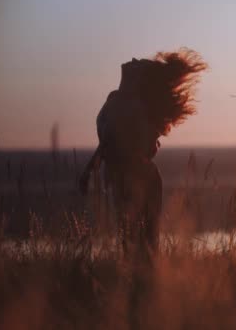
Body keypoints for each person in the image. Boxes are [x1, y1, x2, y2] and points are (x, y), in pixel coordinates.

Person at [79, 49, 207, 256]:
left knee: (136, 233)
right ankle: (142, 276)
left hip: (133, 176)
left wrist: (89, 171)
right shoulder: (124, 102)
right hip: (131, 174)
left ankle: (142, 277)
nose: (132, 61)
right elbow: (109, 142)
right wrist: (90, 170)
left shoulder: (127, 105)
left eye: (137, 65)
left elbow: (109, 142)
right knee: (137, 233)